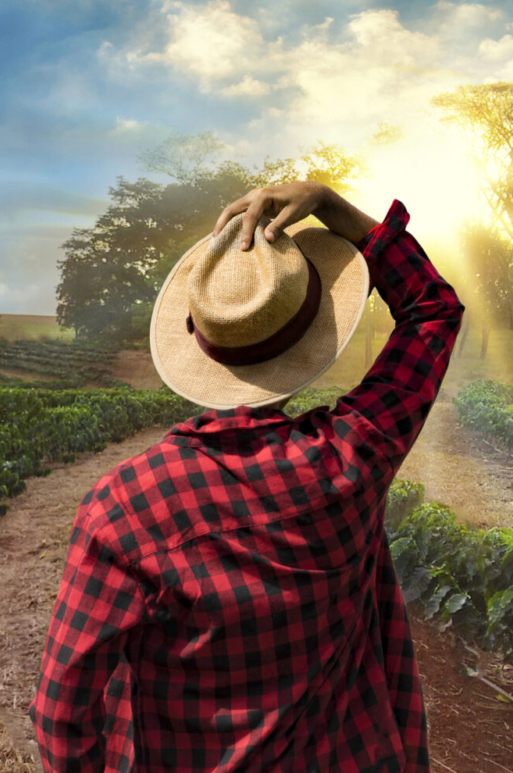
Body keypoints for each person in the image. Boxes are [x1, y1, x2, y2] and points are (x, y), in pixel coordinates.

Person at [31, 181, 463, 773]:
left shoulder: (125, 507)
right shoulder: (353, 457)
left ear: (197, 339)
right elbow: (432, 311)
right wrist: (332, 206)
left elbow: (62, 713)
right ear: (312, 338)